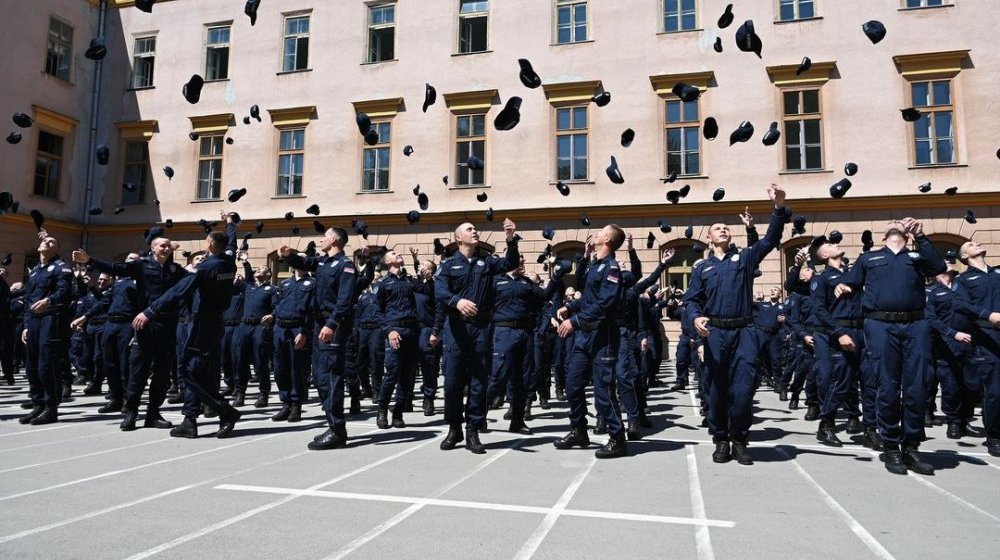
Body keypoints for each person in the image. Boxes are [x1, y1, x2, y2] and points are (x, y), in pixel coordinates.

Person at [684, 184, 788, 465]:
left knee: (743, 389)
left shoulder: (743, 258)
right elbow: (691, 301)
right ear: (709, 237)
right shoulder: (702, 269)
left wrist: (778, 208)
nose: (723, 230)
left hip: (744, 332)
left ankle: (740, 439)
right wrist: (696, 319)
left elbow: (769, 241)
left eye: (726, 228)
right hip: (715, 333)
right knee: (716, 390)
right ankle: (720, 439)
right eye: (718, 228)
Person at [835, 219, 946, 474]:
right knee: (887, 386)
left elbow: (938, 267)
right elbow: (850, 282)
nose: (896, 222)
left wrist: (921, 236)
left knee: (917, 386)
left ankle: (912, 446)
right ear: (882, 234)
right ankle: (891, 447)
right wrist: (843, 286)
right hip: (880, 326)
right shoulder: (869, 259)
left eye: (900, 221)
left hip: (915, 324)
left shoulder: (917, 256)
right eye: (891, 222)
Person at [133, 211, 244, 438]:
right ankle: (190, 419)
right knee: (206, 372)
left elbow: (178, 291)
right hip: (216, 324)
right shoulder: (228, 260)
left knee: (188, 371)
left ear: (211, 244)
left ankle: (225, 411)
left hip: (201, 324)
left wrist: (150, 311)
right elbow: (231, 243)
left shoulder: (205, 268)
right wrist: (231, 224)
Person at [75, 233, 190, 431]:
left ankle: (153, 413)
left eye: (168, 246)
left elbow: (191, 281)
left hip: (168, 326)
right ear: (152, 248)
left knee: (162, 374)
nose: (166, 248)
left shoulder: (174, 269)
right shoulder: (142, 265)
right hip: (146, 325)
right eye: (161, 245)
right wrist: (90, 261)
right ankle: (130, 413)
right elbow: (116, 268)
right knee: (138, 370)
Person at [435, 219, 518, 454]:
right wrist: (457, 301)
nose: (475, 231)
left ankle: (473, 429)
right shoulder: (449, 265)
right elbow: (440, 291)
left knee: (479, 381)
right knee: (452, 382)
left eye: (475, 229)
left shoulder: (487, 261)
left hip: (481, 327)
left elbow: (510, 263)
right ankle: (454, 428)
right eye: (469, 229)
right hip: (456, 329)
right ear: (458, 237)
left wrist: (510, 239)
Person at [279, 227, 360, 450]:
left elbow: (345, 300)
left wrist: (332, 324)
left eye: (325, 236)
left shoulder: (345, 265)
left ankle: (337, 430)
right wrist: (288, 256)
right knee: (320, 377)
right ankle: (333, 425)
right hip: (317, 324)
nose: (321, 239)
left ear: (334, 240)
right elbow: (304, 263)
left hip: (331, 325)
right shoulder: (323, 262)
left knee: (331, 376)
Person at [553, 223, 628, 458]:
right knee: (572, 385)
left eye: (601, 231)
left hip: (601, 335)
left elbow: (604, 304)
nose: (596, 233)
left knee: (603, 390)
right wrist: (570, 307)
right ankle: (579, 430)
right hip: (584, 336)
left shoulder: (611, 268)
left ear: (607, 239)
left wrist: (573, 321)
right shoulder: (596, 266)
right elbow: (588, 299)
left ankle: (617, 438)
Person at [488, 255, 565, 434]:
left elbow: (545, 295)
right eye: (520, 259)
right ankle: (478, 417)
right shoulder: (495, 281)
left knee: (522, 379)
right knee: (498, 376)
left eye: (523, 259)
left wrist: (556, 277)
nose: (523, 262)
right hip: (503, 331)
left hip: (525, 333)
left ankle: (517, 419)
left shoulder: (526, 283)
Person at [810, 240, 872, 447]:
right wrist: (839, 333)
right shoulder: (823, 279)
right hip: (842, 331)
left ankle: (871, 429)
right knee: (842, 382)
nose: (837, 245)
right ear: (824, 256)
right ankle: (826, 424)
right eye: (831, 245)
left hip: (863, 330)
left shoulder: (853, 274)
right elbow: (819, 309)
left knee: (870, 381)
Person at [19, 231, 75, 425]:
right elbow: (27, 300)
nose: (47, 242)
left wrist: (49, 300)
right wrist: (26, 326)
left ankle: (51, 408)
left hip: (51, 320)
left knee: (46, 365)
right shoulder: (35, 271)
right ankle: (37, 404)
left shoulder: (61, 268)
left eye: (52, 241)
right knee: (31, 365)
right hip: (33, 322)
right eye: (44, 240)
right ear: (39, 247)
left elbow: (65, 292)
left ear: (57, 249)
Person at [373, 250, 433, 429]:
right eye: (393, 253)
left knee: (408, 376)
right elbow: (377, 311)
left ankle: (398, 411)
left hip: (412, 331)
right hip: (395, 330)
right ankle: (382, 408)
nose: (398, 254)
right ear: (387, 261)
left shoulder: (409, 280)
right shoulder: (384, 284)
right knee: (392, 372)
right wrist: (388, 331)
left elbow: (427, 292)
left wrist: (428, 279)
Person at [953, 241, 1000, 457]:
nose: (976, 243)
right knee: (995, 391)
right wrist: (987, 314)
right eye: (971, 244)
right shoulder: (964, 279)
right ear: (965, 255)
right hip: (986, 335)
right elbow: (960, 305)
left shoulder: (997, 272)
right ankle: (994, 436)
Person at [925, 259, 975, 440]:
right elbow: (930, 319)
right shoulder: (933, 293)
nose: (950, 272)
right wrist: (952, 333)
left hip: (970, 342)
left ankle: (964, 419)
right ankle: (954, 420)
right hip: (946, 344)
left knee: (972, 384)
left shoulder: (963, 289)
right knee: (951, 385)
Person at [271, 266, 315, 422]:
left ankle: (296, 405)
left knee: (297, 368)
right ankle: (286, 403)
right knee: (279, 368)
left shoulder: (312, 283)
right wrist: (273, 317)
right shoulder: (284, 284)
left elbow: (312, 310)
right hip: (280, 328)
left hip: (298, 328)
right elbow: (276, 303)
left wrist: (304, 332)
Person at [234, 261, 276, 408]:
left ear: (268, 274)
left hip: (260, 326)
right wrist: (245, 262)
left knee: (260, 361)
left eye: (261, 269)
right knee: (241, 361)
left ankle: (264, 393)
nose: (258, 270)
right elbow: (246, 274)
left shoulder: (271, 289)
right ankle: (240, 393)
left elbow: (277, 306)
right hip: (245, 325)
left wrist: (272, 315)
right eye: (256, 269)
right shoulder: (249, 286)